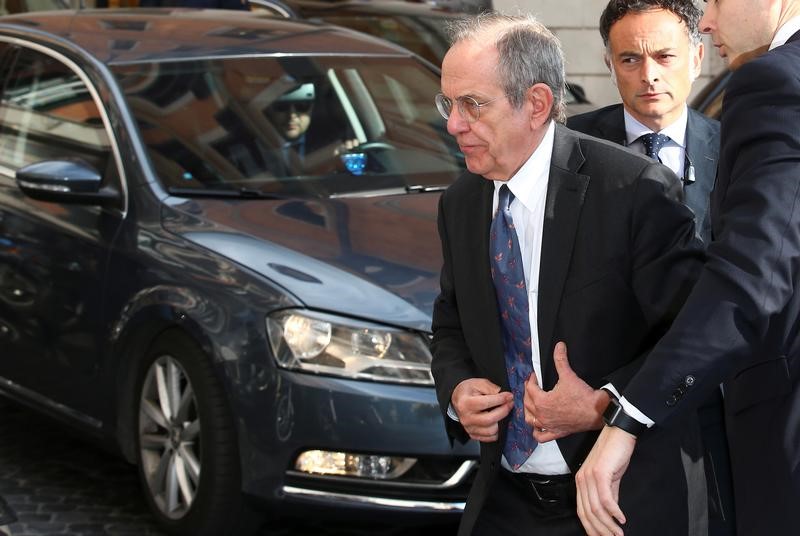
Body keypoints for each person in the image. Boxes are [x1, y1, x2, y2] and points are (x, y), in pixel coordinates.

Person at [430, 12, 707, 536]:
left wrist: (605, 403)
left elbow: (693, 337)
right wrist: (458, 387)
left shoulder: (631, 189)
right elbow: (449, 325)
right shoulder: (461, 202)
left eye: (473, 104)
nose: (454, 124)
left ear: (535, 104)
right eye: (449, 103)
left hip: (619, 503)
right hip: (503, 500)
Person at [575, 1, 800, 535]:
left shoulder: (773, 83)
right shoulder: (574, 148)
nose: (708, 18)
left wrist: (627, 417)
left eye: (718, 0)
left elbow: (751, 278)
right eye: (629, 58)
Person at [566, 2, 734, 534]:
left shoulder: (738, 151)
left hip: (720, 414)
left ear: (698, 55)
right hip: (595, 417)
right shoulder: (566, 153)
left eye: (664, 55)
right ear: (610, 64)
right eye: (630, 59)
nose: (649, 74)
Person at [265, 83, 361, 175]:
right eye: (282, 107)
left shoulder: (331, 143)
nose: (292, 115)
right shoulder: (256, 143)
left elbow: (355, 179)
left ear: (311, 109)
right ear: (270, 110)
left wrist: (350, 164)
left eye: (301, 106)